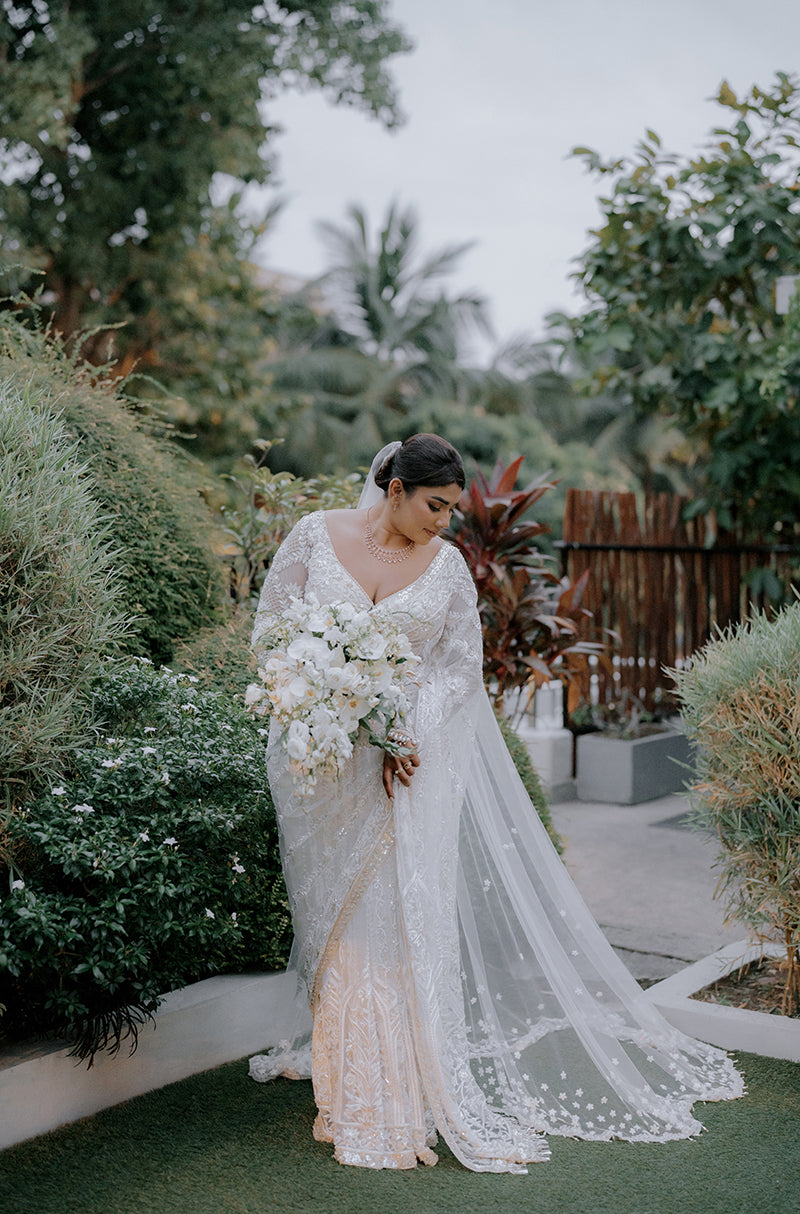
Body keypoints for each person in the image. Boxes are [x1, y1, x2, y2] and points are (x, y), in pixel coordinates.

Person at [248, 434, 743, 1173]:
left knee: (388, 921)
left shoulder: (446, 567)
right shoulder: (315, 535)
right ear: (394, 489)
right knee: (333, 918)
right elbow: (271, 636)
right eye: (434, 505)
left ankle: (378, 1093)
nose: (444, 522)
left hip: (407, 768)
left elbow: (458, 670)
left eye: (452, 508)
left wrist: (399, 729)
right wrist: (324, 697)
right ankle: (345, 1057)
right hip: (322, 760)